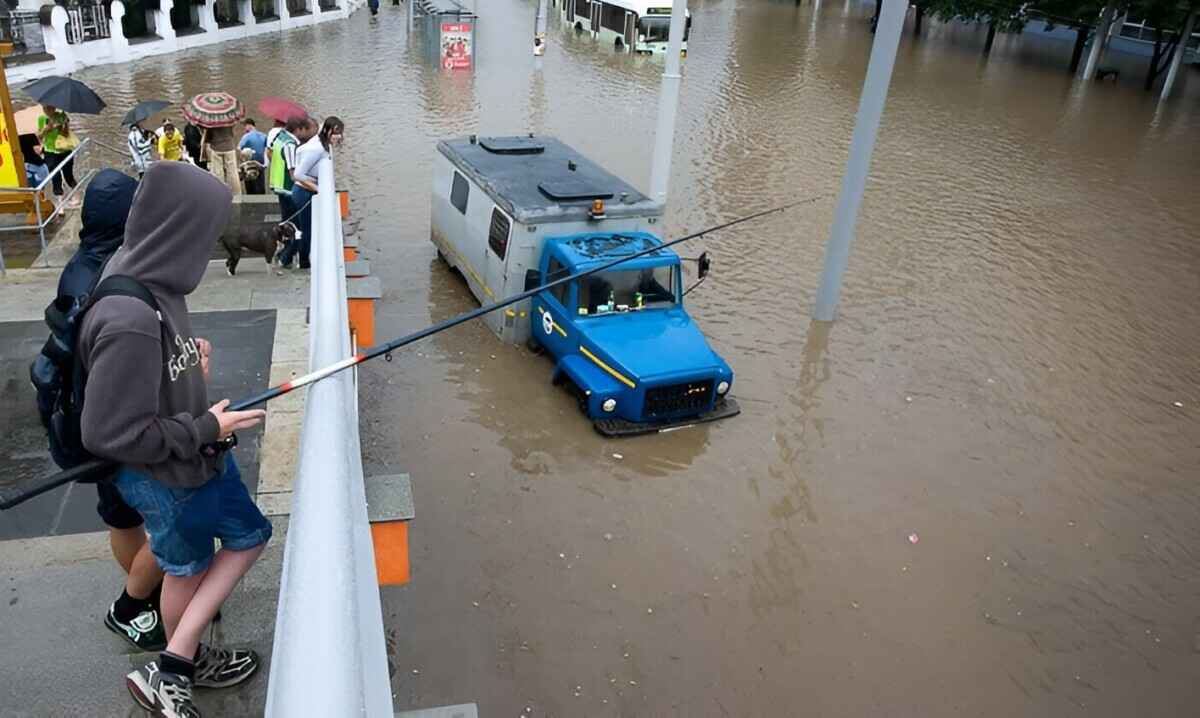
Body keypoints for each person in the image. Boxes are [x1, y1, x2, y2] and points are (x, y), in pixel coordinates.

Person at [78, 162, 271, 717]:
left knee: (250, 535)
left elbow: (148, 375)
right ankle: (174, 669)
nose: (211, 247)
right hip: (167, 475)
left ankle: (178, 660)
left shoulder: (151, 274)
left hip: (202, 456)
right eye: (206, 234)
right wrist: (208, 427)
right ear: (177, 231)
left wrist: (189, 365)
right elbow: (109, 431)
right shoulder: (129, 316)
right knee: (184, 566)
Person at [51, 170, 169, 651]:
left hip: (80, 415)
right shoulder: (116, 277)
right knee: (175, 521)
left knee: (121, 517)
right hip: (119, 422)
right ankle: (133, 603)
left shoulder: (77, 266)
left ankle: (153, 593)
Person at [280, 116, 341, 270]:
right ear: (326, 132)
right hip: (303, 193)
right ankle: (303, 261)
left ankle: (288, 257)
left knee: (303, 228)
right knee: (307, 230)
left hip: (305, 190)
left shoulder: (322, 143)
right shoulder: (316, 149)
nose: (337, 137)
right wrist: (318, 188)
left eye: (339, 133)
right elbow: (298, 175)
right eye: (334, 133)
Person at [268, 116, 306, 267]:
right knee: (297, 228)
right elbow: (293, 172)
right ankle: (286, 257)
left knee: (286, 223)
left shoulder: (279, 137)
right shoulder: (290, 144)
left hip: (279, 187)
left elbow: (269, 153)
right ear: (298, 130)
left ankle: (282, 253)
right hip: (289, 189)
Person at [37, 104, 79, 203]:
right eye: (45, 108)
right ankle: (60, 201)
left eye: (50, 107)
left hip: (64, 150)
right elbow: (39, 136)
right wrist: (47, 129)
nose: (47, 110)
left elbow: (66, 134)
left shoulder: (62, 116)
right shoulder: (41, 118)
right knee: (55, 176)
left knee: (68, 175)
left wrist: (63, 126)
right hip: (50, 152)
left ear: (55, 107)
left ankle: (76, 195)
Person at [202, 124, 241, 196]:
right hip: (230, 147)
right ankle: (236, 195)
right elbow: (232, 132)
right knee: (233, 173)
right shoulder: (229, 118)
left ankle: (219, 194)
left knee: (217, 173)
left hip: (216, 148)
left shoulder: (211, 120)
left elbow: (208, 138)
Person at [237, 119, 268, 194]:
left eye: (245, 126)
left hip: (249, 165)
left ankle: (251, 205)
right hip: (261, 164)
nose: (244, 128)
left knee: (250, 188)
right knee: (260, 185)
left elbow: (238, 148)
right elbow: (268, 149)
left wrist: (242, 159)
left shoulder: (247, 136)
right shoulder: (264, 135)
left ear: (249, 125)